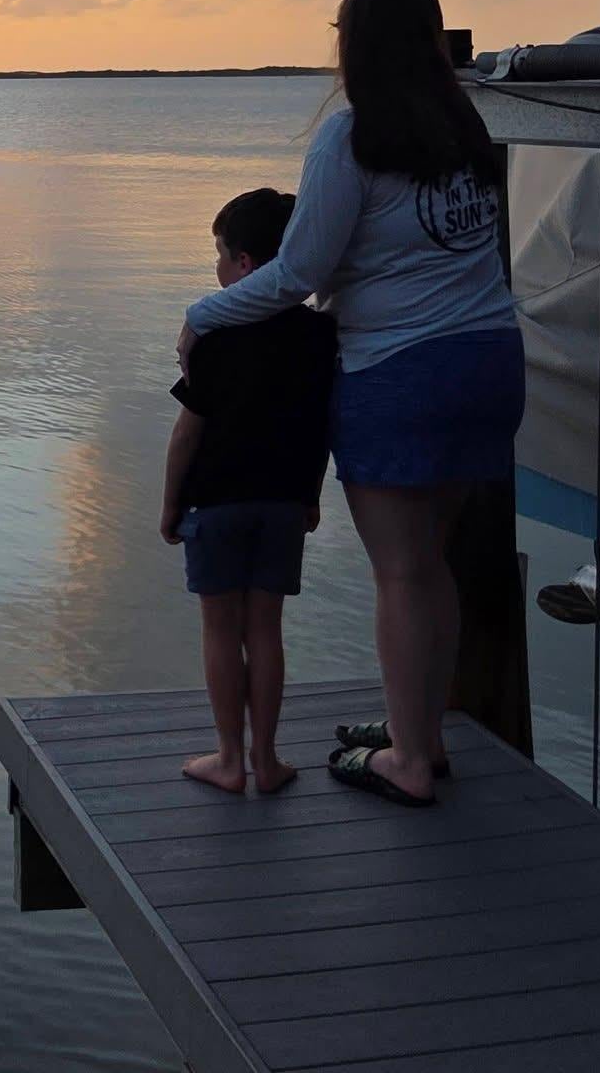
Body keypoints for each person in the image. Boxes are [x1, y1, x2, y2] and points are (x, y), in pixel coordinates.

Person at [177, 0, 523, 807]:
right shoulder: (465, 126)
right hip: (490, 359)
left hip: (399, 373)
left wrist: (204, 312)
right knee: (430, 564)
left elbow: (297, 273)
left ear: (352, 44)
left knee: (402, 574)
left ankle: (408, 762)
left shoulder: (351, 138)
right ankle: (422, 735)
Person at [161, 189, 337, 794]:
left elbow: (188, 432)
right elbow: (321, 426)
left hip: (217, 501)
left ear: (244, 266)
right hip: (285, 501)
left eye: (220, 254)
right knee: (266, 628)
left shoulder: (217, 335)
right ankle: (267, 759)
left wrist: (168, 505)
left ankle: (228, 759)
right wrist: (311, 495)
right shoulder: (319, 337)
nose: (215, 267)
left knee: (219, 627)